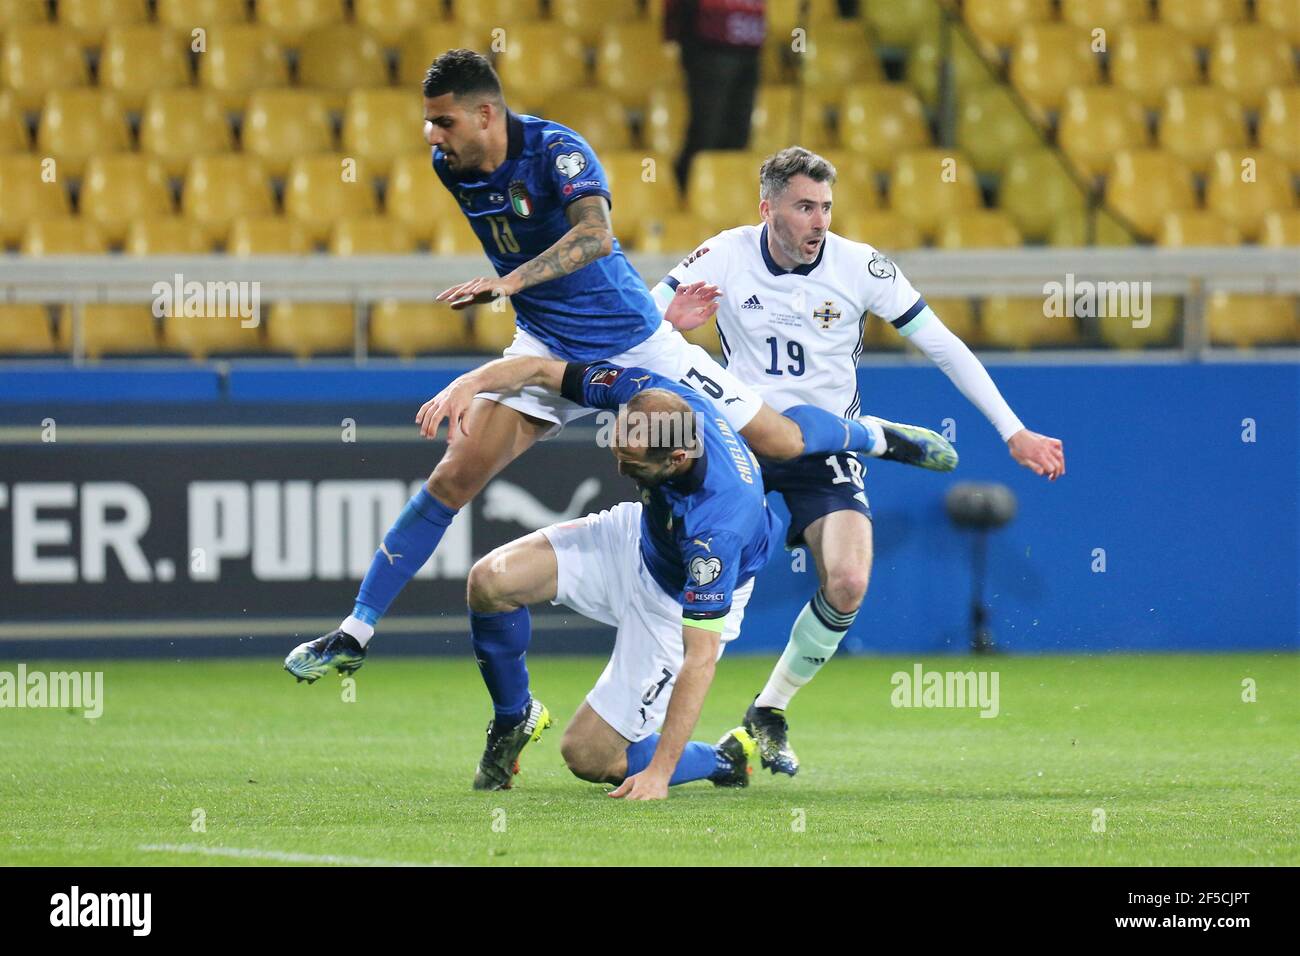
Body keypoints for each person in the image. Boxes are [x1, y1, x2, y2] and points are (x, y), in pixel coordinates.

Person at [284, 52, 954, 694]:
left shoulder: (557, 151)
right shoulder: (448, 165)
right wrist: (516, 310)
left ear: (487, 114)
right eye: (429, 121)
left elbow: (596, 238)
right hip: (548, 341)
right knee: (454, 473)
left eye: (444, 121)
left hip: (638, 345)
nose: (432, 135)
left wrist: (509, 281)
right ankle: (355, 630)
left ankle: (875, 436)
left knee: (779, 440)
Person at [652, 147, 1066, 775]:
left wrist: (1014, 431)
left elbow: (944, 346)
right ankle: (649, 713)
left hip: (825, 447)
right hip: (743, 437)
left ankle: (768, 710)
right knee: (697, 573)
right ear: (768, 209)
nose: (818, 221)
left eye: (825, 207)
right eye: (803, 207)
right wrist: (671, 323)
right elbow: (640, 316)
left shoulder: (861, 267)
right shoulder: (724, 253)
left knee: (847, 582)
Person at [415, 353, 782, 797]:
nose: (620, 468)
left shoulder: (717, 528)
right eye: (618, 450)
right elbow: (539, 369)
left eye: (633, 464)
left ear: (679, 457)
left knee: (588, 757)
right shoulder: (650, 396)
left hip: (675, 598)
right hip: (635, 538)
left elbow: (699, 659)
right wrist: (470, 382)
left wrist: (660, 775)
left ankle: (723, 757)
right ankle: (515, 718)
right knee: (491, 581)